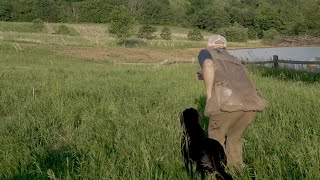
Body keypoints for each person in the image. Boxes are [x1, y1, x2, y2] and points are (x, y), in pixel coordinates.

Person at [197, 35, 268, 172]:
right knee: (234, 139)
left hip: (225, 103)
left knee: (216, 139)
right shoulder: (234, 59)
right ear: (225, 47)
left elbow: (208, 64)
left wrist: (209, 95)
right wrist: (204, 75)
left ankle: (218, 173)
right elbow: (235, 77)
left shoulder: (206, 53)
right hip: (251, 103)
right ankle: (237, 171)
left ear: (209, 46)